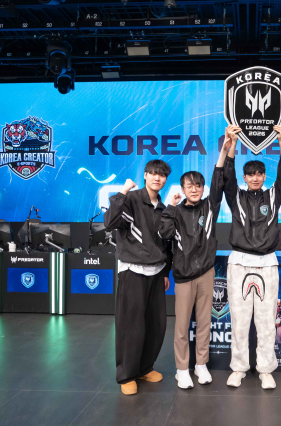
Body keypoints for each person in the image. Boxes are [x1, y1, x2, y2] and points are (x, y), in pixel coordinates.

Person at [158, 127, 238, 389]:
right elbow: (164, 233)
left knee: (205, 322)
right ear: (182, 188)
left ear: (203, 188)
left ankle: (200, 365)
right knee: (182, 326)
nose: (194, 189)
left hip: (206, 273)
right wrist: (170, 206)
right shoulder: (175, 211)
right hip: (183, 276)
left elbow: (218, 180)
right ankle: (182, 369)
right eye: (189, 185)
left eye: (198, 185)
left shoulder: (209, 206)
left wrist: (224, 150)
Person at [222, 124, 281, 389]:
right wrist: (231, 146)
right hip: (239, 261)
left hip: (267, 262)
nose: (255, 178)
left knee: (265, 321)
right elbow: (226, 177)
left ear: (264, 176)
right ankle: (239, 368)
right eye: (250, 174)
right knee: (239, 320)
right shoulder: (236, 197)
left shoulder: (273, 196)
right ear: (245, 177)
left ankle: (265, 369)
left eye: (259, 174)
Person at [104, 160, 173, 396]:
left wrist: (165, 272)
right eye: (153, 173)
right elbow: (110, 222)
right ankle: (127, 375)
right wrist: (123, 191)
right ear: (145, 175)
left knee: (155, 325)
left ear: (165, 179)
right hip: (133, 270)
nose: (157, 178)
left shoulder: (163, 208)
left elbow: (165, 244)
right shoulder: (131, 199)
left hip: (156, 271)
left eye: (161, 175)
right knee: (130, 326)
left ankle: (144, 368)